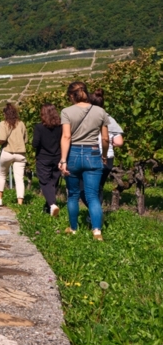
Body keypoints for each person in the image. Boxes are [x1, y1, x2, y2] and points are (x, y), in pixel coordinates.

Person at [59, 81, 110, 241]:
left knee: (73, 194)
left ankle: (73, 228)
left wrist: (63, 160)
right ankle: (97, 231)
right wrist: (104, 155)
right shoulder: (100, 111)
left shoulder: (66, 112)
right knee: (92, 195)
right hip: (93, 153)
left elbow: (66, 136)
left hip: (73, 154)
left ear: (71, 96)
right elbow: (105, 138)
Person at [88, 89, 124, 204]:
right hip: (108, 157)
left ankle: (93, 210)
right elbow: (119, 142)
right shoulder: (110, 119)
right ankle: (97, 209)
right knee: (99, 186)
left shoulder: (86, 118)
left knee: (89, 187)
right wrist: (112, 142)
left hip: (90, 155)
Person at [0, 102, 27, 206]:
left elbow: (2, 138)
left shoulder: (3, 123)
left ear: (5, 114)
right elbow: (25, 139)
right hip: (20, 153)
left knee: (2, 175)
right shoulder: (21, 123)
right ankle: (20, 203)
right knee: (19, 179)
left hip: (7, 152)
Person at [32, 104, 62, 217]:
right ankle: (48, 206)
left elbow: (35, 144)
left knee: (45, 182)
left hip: (43, 157)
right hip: (57, 157)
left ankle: (52, 205)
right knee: (53, 182)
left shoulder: (39, 127)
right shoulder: (60, 127)